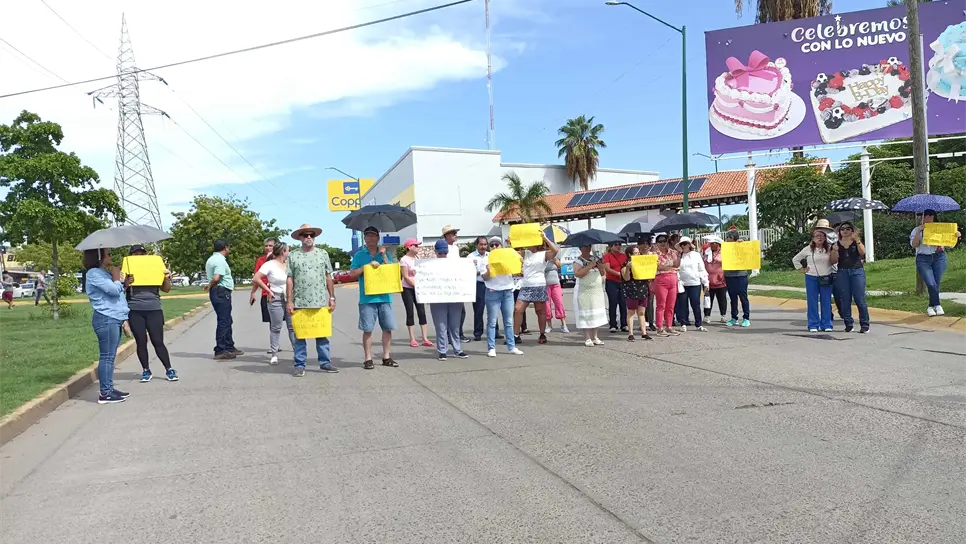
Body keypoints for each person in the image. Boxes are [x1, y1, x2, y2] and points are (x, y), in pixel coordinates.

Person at [83, 248, 134, 404]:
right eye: (108, 253)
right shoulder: (93, 273)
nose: (111, 256)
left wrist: (124, 284)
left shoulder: (103, 272)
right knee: (106, 357)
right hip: (106, 318)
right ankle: (105, 393)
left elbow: (116, 293)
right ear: (99, 256)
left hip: (114, 317)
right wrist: (117, 278)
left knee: (110, 357)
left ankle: (109, 388)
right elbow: (112, 290)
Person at [285, 224, 337, 376]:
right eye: (305, 235)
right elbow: (290, 279)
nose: (308, 237)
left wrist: (332, 297)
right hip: (300, 302)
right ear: (300, 237)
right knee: (300, 335)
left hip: (319, 301)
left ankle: (325, 362)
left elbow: (328, 276)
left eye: (311, 235)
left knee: (322, 334)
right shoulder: (293, 255)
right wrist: (289, 300)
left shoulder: (322, 254)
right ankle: (300, 364)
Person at [126, 245, 178, 383]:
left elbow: (166, 289)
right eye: (136, 254)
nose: (139, 256)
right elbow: (121, 290)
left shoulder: (155, 269)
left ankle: (169, 369)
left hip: (154, 309)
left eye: (141, 253)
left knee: (158, 341)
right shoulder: (127, 270)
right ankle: (146, 370)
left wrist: (166, 278)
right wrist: (125, 282)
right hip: (135, 310)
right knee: (141, 342)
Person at [350, 226, 397, 369]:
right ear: (364, 239)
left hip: (384, 297)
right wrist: (367, 267)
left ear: (378, 237)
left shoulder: (385, 253)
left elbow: (391, 271)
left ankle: (386, 356)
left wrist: (383, 256)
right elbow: (352, 273)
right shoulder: (359, 255)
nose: (370, 238)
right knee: (368, 329)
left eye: (373, 236)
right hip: (367, 298)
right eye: (367, 236)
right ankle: (368, 358)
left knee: (387, 328)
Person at [911, 209, 961, 316]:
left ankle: (930, 306)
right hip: (923, 259)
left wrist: (956, 236)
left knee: (936, 283)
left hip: (939, 257)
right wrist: (919, 232)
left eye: (931, 216)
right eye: (926, 216)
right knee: (931, 283)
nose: (929, 218)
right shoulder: (916, 230)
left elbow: (950, 243)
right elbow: (914, 245)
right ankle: (937, 304)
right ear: (922, 217)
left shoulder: (940, 228)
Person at [479, 237, 524, 357]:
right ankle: (491, 348)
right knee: (492, 321)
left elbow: (517, 272)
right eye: (492, 245)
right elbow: (484, 278)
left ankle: (511, 346)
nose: (494, 247)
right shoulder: (486, 259)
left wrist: (520, 263)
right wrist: (488, 271)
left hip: (507, 291)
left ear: (501, 246)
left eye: (497, 244)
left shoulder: (508, 256)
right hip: (492, 291)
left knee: (508, 321)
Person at [253, 243, 296, 366]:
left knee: (292, 327)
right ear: (283, 251)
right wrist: (268, 290)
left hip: (290, 298)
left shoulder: (289, 264)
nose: (289, 253)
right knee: (276, 327)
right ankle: (274, 354)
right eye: (288, 250)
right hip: (276, 297)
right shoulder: (270, 264)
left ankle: (297, 352)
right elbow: (256, 278)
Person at [514, 232, 558, 345]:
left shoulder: (544, 254)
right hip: (526, 286)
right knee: (518, 309)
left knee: (540, 311)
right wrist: (512, 241)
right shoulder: (525, 253)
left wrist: (545, 238)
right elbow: (512, 253)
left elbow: (555, 251)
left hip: (539, 285)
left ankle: (542, 334)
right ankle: (515, 335)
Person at [428, 239, 469, 360]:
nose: (442, 255)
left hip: (454, 298)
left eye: (445, 253)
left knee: (455, 326)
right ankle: (442, 350)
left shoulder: (455, 264)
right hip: (437, 299)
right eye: (440, 253)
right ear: (435, 252)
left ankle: (457, 349)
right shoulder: (429, 265)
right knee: (441, 326)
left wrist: (473, 266)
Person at [829, 221, 870, 333]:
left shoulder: (856, 242)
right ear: (839, 232)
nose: (845, 231)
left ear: (852, 230)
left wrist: (857, 240)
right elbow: (833, 261)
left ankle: (864, 324)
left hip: (857, 271)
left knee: (859, 298)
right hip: (842, 271)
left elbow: (863, 253)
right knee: (845, 298)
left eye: (848, 229)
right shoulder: (836, 244)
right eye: (842, 229)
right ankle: (848, 323)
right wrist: (834, 251)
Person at [793, 222, 834, 332]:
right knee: (812, 301)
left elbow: (835, 260)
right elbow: (795, 259)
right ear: (813, 238)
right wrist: (801, 269)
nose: (819, 238)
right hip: (811, 277)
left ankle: (827, 324)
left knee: (826, 301)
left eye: (822, 236)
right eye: (817, 236)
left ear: (825, 238)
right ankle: (813, 324)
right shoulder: (808, 249)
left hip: (826, 277)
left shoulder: (830, 248)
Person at [204, 239, 241, 360]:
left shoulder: (211, 259)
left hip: (218, 292)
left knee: (227, 320)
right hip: (221, 292)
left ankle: (229, 346)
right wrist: (209, 285)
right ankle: (220, 349)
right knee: (224, 321)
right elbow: (216, 278)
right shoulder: (219, 260)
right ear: (225, 247)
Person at [441, 225, 472, 343]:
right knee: (451, 311)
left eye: (455, 233)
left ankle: (457, 334)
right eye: (453, 234)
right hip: (447, 282)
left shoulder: (455, 248)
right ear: (447, 236)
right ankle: (451, 335)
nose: (456, 235)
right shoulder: (443, 247)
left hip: (457, 281)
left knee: (460, 311)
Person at [400, 238, 433, 347]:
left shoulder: (418, 259)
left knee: (422, 312)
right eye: (416, 245)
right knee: (410, 312)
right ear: (409, 247)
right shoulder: (404, 260)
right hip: (407, 288)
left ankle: (424, 338)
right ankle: (412, 339)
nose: (418, 248)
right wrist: (416, 286)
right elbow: (405, 276)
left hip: (419, 288)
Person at [573, 245, 608, 346]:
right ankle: (587, 337)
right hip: (584, 291)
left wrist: (600, 266)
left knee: (595, 313)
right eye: (585, 246)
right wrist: (589, 266)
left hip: (596, 291)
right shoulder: (578, 261)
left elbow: (603, 273)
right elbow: (577, 274)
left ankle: (595, 337)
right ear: (580, 248)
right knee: (586, 314)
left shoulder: (595, 259)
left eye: (589, 246)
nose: (588, 248)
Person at [250, 237, 277, 353]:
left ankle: (296, 345)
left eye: (270, 246)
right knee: (272, 321)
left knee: (289, 321)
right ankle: (274, 345)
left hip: (281, 293)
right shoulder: (261, 260)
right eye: (266, 246)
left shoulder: (282, 258)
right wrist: (253, 292)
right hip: (267, 294)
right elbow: (257, 278)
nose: (268, 248)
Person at [676, 237, 709, 332]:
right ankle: (683, 323)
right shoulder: (679, 256)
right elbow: (676, 268)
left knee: (695, 304)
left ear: (689, 245)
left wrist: (706, 282)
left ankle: (698, 324)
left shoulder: (696, 255)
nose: (683, 246)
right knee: (682, 304)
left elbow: (701, 269)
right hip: (682, 283)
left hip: (695, 283)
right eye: (682, 244)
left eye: (685, 244)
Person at [619, 246, 652, 341]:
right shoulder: (625, 265)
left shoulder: (641, 263)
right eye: (636, 253)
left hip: (642, 289)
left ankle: (644, 333)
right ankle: (631, 333)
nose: (638, 254)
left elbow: (649, 275)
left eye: (638, 253)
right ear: (630, 254)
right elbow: (626, 278)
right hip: (632, 290)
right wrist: (628, 268)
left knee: (641, 312)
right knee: (631, 312)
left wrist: (653, 266)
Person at [468, 236, 496, 341]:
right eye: (481, 244)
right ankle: (478, 333)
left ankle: (495, 331)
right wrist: (481, 272)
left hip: (491, 284)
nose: (483, 247)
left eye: (485, 244)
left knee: (493, 309)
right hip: (478, 284)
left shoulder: (491, 255)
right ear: (477, 245)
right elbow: (468, 272)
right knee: (478, 310)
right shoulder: (471, 257)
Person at [652, 234, 681, 337]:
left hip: (673, 279)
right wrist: (670, 267)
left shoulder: (673, 252)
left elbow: (677, 264)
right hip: (661, 280)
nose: (663, 243)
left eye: (664, 241)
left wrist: (679, 254)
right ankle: (659, 327)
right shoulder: (654, 254)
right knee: (661, 305)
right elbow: (657, 267)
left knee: (671, 305)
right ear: (657, 243)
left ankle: (669, 326)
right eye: (660, 241)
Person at [724, 230, 751, 327]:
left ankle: (746, 318)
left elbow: (749, 252)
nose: (728, 239)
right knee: (733, 298)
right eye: (727, 237)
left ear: (734, 238)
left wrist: (742, 244)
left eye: (730, 237)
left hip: (741, 275)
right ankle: (734, 318)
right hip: (729, 276)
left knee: (743, 297)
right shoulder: (726, 248)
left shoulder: (741, 246)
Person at [602, 241, 628, 333]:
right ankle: (613, 324)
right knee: (613, 303)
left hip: (623, 282)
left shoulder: (624, 256)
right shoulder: (607, 256)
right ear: (611, 246)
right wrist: (618, 274)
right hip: (611, 282)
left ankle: (624, 324)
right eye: (615, 245)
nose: (618, 246)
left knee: (623, 303)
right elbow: (607, 268)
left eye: (619, 244)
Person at [702, 235, 728, 323]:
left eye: (713, 243)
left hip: (721, 280)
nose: (711, 245)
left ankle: (723, 316)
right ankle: (706, 316)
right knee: (707, 299)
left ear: (718, 244)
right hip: (708, 281)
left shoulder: (724, 253)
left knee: (722, 299)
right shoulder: (706, 252)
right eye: (710, 243)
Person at [544, 257, 568, 333]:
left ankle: (564, 324)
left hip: (556, 283)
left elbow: (559, 265)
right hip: (545, 284)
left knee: (559, 303)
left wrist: (553, 259)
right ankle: (549, 325)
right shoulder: (542, 258)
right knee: (547, 305)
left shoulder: (554, 257)